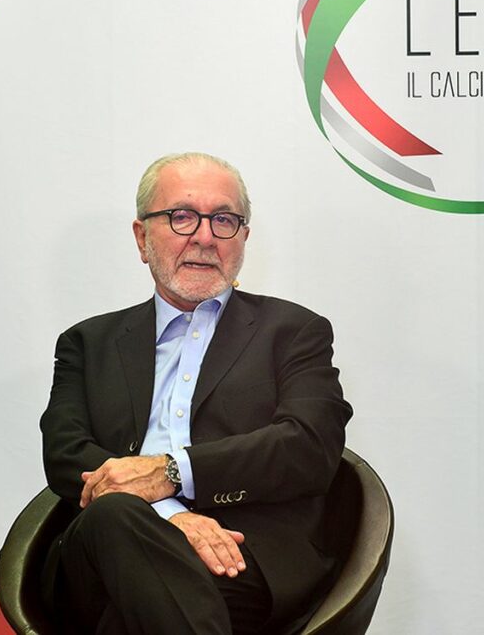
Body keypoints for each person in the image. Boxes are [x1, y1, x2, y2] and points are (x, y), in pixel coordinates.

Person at [39, 152, 352, 635]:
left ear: (243, 238)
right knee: (116, 516)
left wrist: (170, 473)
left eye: (224, 220)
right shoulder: (88, 342)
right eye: (182, 216)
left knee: (127, 615)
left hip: (240, 554)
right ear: (142, 238)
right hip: (102, 548)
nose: (205, 237)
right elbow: (65, 455)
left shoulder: (293, 332)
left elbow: (309, 447)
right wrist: (165, 518)